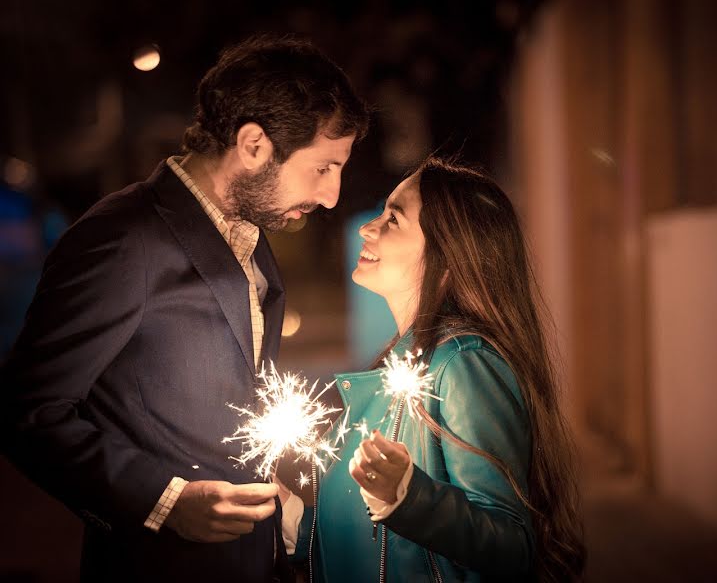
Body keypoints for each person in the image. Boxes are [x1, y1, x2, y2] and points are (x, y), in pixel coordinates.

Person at [1, 34, 368, 582]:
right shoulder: (124, 239)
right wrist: (164, 501)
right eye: (322, 168)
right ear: (252, 145)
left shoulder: (251, 232)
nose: (334, 196)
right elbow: (27, 411)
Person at [282, 157, 585, 581]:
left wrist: (406, 496)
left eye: (394, 219)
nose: (368, 229)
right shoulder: (398, 368)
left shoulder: (464, 364)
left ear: (447, 259)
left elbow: (511, 546)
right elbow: (375, 545)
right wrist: (295, 522)